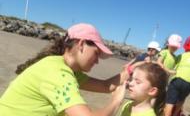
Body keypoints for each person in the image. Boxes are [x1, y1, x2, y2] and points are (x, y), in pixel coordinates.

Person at [0, 23, 129, 116]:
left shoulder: (65, 68)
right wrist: (116, 101)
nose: (97, 61)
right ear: (82, 44)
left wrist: (129, 72)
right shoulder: (58, 73)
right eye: (96, 53)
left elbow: (105, 86)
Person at [164, 36, 190, 116]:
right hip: (188, 84)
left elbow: (173, 66)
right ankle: (174, 114)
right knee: (181, 100)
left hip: (177, 80)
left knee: (170, 101)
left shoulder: (180, 56)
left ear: (185, 47)